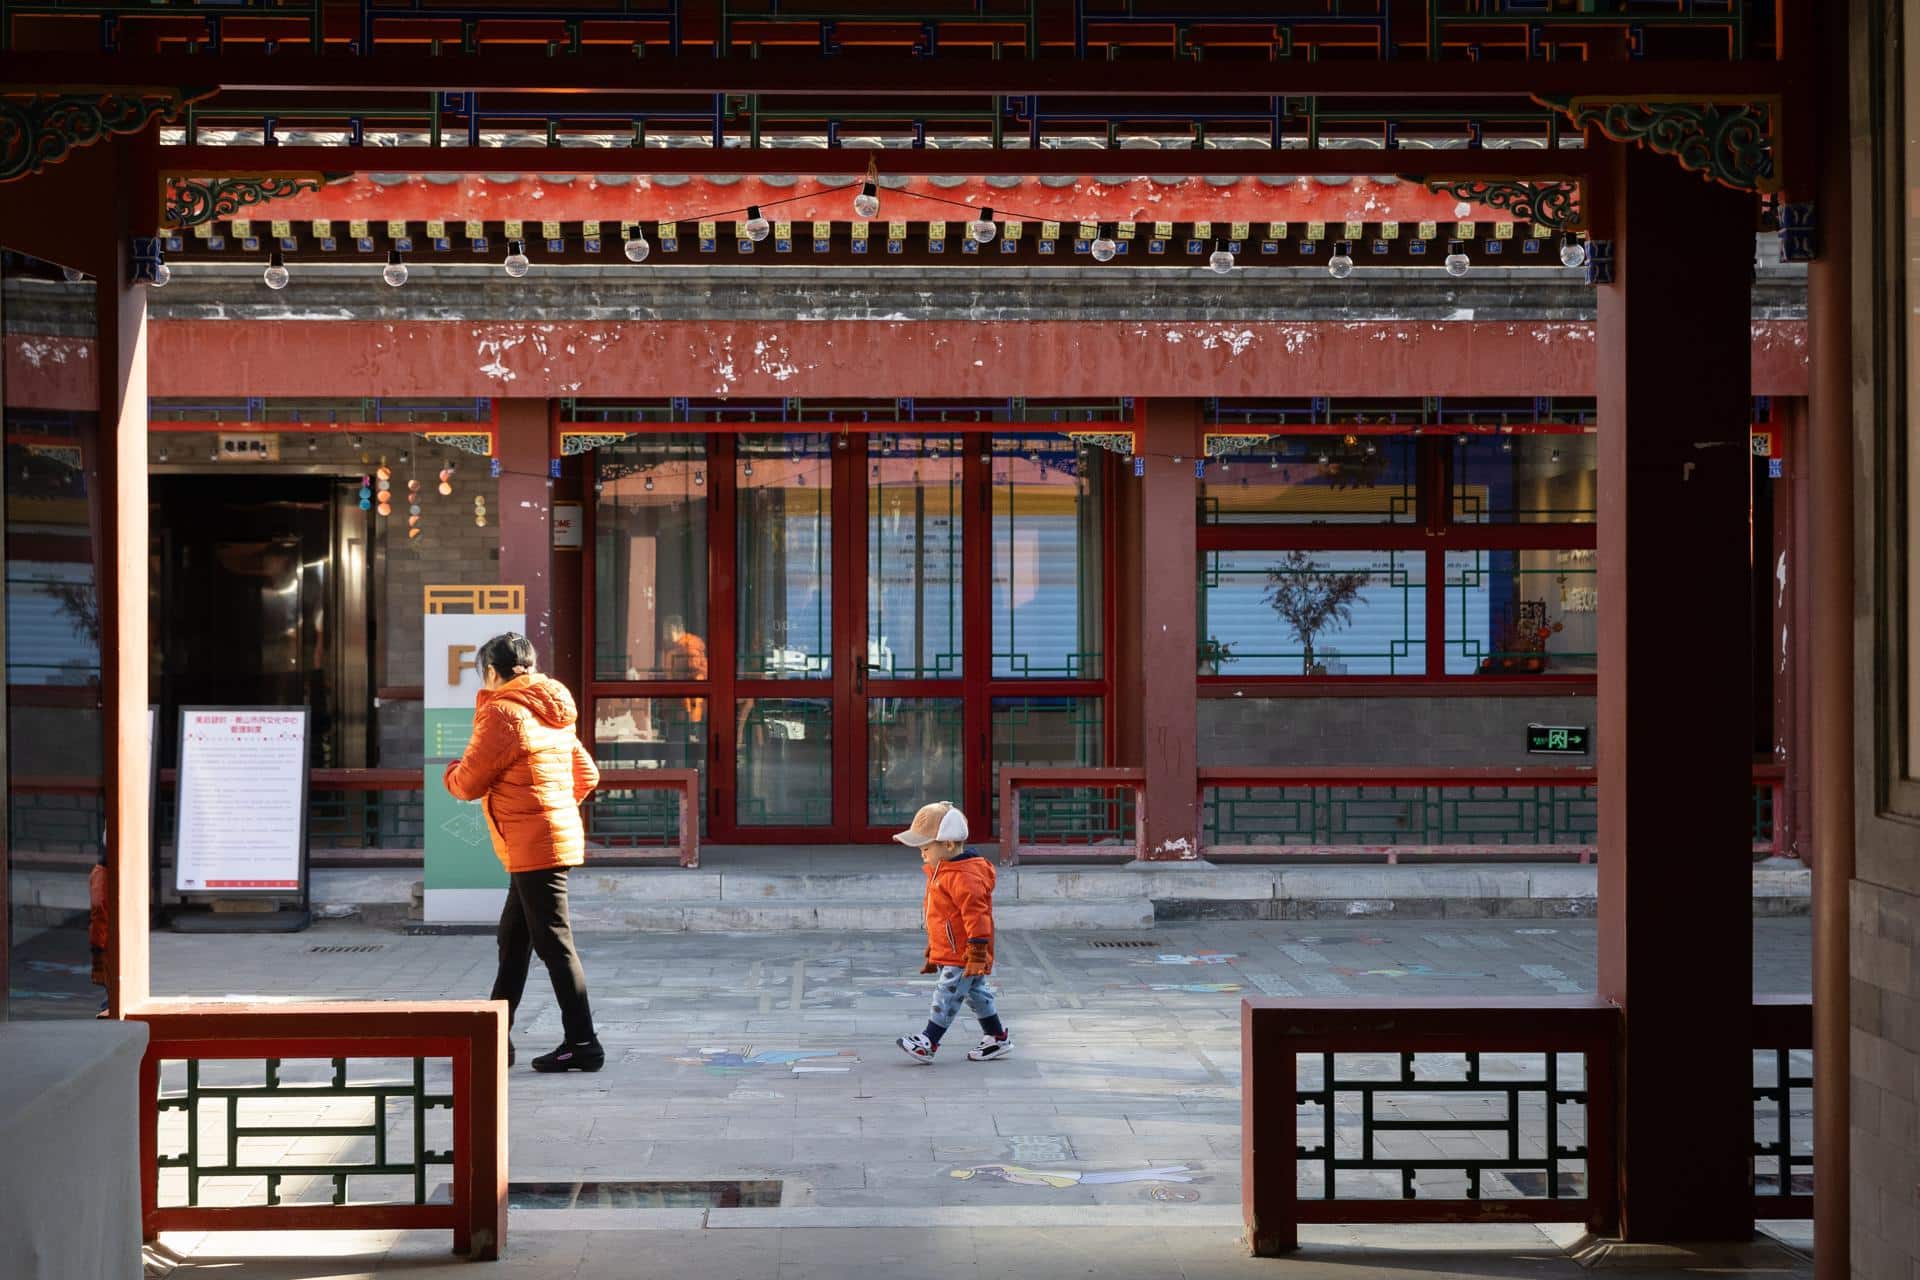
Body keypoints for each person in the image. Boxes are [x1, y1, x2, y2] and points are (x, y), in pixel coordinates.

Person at [443, 632, 605, 1073]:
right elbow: (586, 773)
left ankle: (584, 1043)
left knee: (554, 943)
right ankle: (495, 1040)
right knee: (513, 941)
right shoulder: (552, 707)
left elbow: (470, 782)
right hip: (547, 836)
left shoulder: (502, 711)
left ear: (492, 672)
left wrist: (451, 773)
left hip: (534, 842)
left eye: (484, 674)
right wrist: (551, 807)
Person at [893, 801, 1012, 1064]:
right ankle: (996, 1037)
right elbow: (942, 917)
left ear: (947, 845)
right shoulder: (943, 870)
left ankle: (929, 1040)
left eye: (925, 848)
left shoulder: (964, 876)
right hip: (953, 948)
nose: (922, 854)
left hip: (965, 951)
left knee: (947, 993)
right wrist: (934, 950)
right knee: (976, 992)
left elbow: (977, 916)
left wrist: (978, 951)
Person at [662, 616, 708, 728]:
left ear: (673, 629)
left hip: (690, 699)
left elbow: (695, 670)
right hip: (685, 697)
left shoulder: (688, 645)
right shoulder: (679, 647)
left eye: (666, 632)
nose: (665, 636)